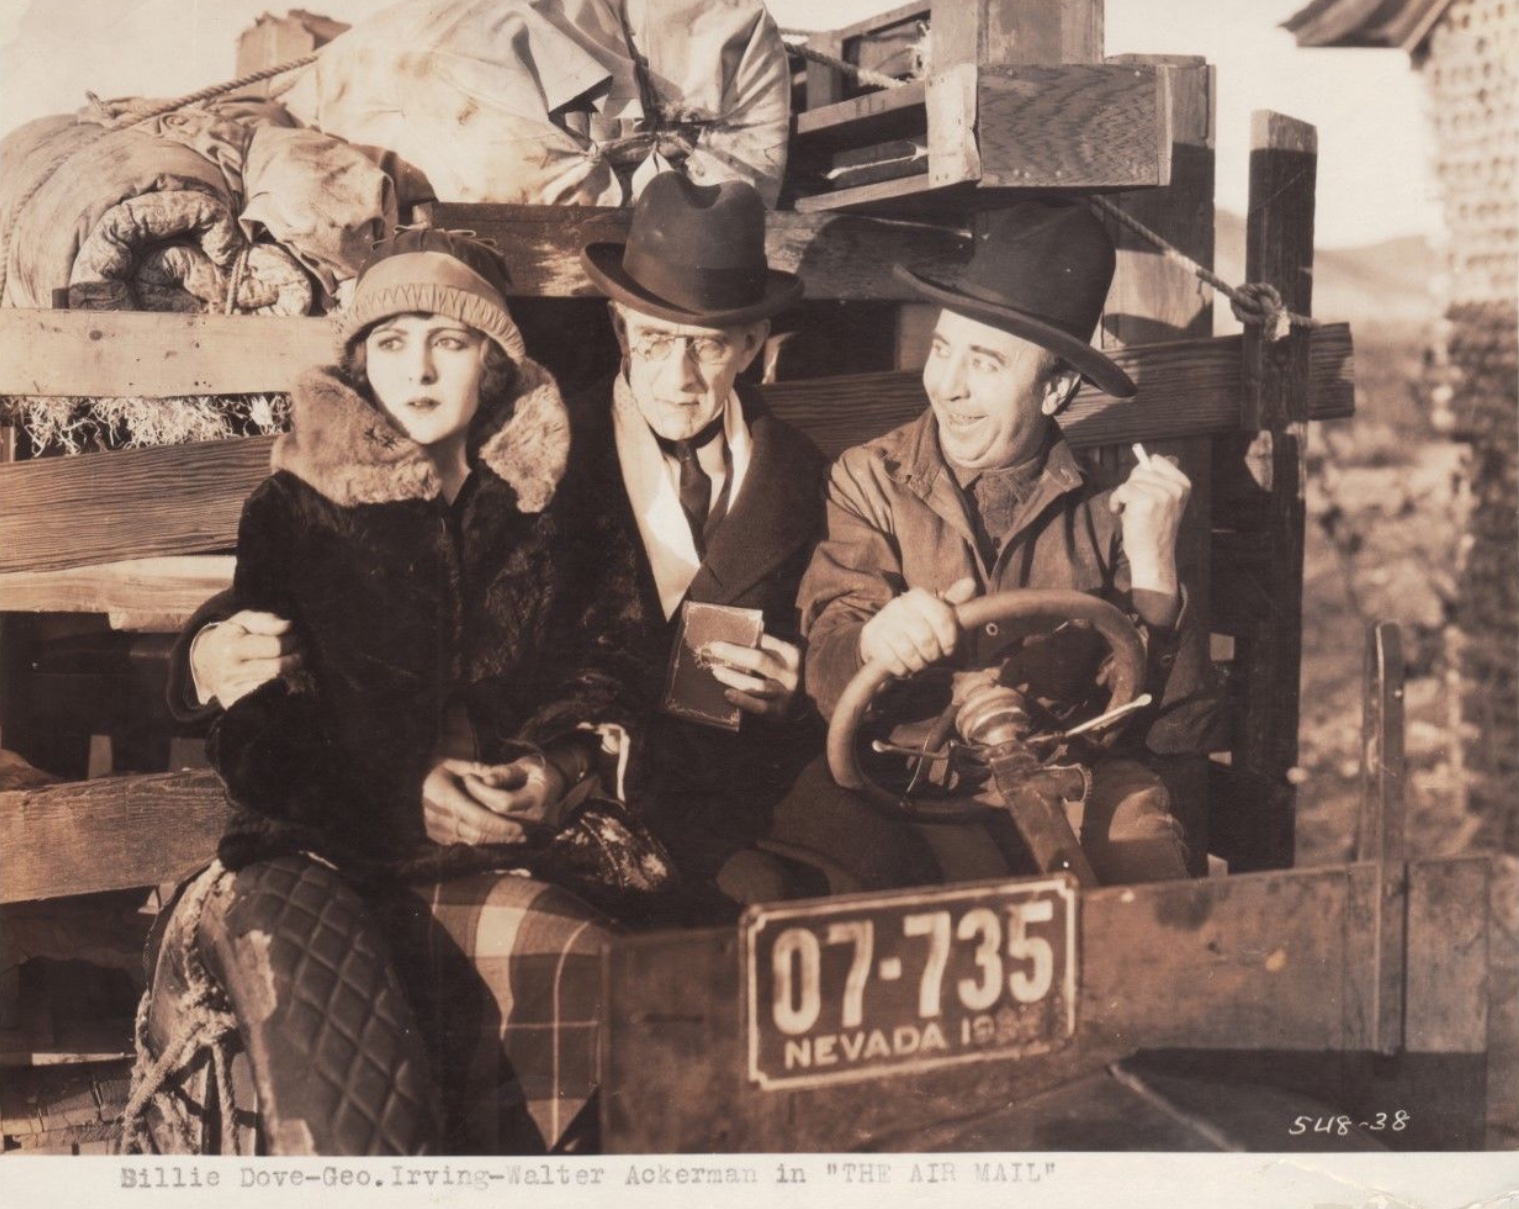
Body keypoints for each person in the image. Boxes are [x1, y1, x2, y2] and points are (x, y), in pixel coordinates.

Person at [170, 228, 673, 1151]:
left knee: (612, 983)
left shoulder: (550, 504)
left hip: (489, 854)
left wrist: (555, 764)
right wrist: (401, 788)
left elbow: (611, 657)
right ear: (360, 364)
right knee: (348, 1099)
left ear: (494, 363)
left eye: (451, 341)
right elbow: (258, 729)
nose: (421, 369)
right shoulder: (293, 508)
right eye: (392, 343)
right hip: (327, 853)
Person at [798, 199, 1218, 885]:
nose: (948, 387)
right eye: (940, 349)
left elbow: (1175, 732)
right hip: (910, 785)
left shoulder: (1111, 508)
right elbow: (827, 661)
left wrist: (1155, 575)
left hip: (1064, 779)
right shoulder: (870, 478)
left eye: (985, 364)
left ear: (1055, 389)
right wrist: (875, 640)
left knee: (1142, 865)